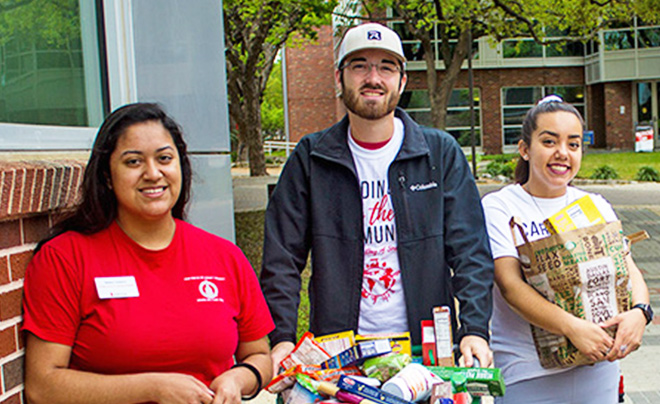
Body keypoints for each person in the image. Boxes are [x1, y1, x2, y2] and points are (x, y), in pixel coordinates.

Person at [260, 22, 494, 375]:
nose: (373, 77)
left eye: (386, 67)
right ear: (339, 79)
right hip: (339, 354)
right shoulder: (311, 158)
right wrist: (281, 339)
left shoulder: (439, 153)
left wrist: (474, 329)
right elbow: (281, 259)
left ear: (402, 81)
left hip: (425, 350)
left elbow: (471, 253)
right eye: (360, 66)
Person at [22, 103, 274, 404]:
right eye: (133, 162)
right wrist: (152, 388)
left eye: (165, 158)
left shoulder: (224, 257)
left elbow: (259, 355)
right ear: (106, 176)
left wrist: (238, 378)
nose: (153, 173)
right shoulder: (65, 258)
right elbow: (42, 386)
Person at [481, 95, 653, 403]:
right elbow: (510, 286)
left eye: (573, 145)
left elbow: (629, 270)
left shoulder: (595, 205)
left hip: (599, 365)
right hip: (527, 372)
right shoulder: (499, 206)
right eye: (549, 142)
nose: (562, 153)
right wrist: (573, 328)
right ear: (524, 149)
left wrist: (640, 312)